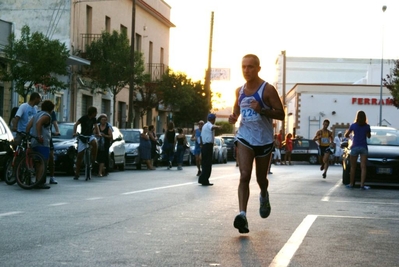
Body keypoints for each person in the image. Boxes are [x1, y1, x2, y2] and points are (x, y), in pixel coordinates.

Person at [228, 54, 285, 234]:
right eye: (244, 67)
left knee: (261, 179)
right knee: (244, 175)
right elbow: (236, 111)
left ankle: (264, 195)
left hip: (264, 140)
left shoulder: (267, 90)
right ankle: (242, 215)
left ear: (258, 68)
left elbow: (281, 114)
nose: (246, 70)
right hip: (245, 137)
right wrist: (233, 117)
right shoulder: (239, 91)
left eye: (251, 67)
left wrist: (262, 110)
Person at [25, 100, 55, 189]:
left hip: (34, 141)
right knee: (43, 162)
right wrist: (39, 135)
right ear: (51, 109)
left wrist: (27, 135)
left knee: (38, 162)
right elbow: (39, 124)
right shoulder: (47, 116)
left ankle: (37, 181)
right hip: (42, 142)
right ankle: (40, 182)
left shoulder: (37, 114)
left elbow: (28, 126)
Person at [344, 111, 371, 190]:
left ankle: (351, 184)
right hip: (363, 147)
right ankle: (362, 185)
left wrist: (351, 138)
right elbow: (369, 136)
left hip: (355, 146)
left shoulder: (353, 125)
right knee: (363, 167)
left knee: (353, 167)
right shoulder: (367, 126)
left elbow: (346, 135)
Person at [73, 106, 100, 180]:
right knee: (79, 156)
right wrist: (74, 132)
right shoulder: (84, 118)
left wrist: (98, 133)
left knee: (94, 143)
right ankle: (77, 173)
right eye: (96, 112)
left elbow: (96, 126)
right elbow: (76, 124)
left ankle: (93, 159)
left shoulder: (94, 119)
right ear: (93, 112)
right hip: (82, 136)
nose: (96, 114)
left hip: (90, 135)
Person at [198, 113, 220, 186]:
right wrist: (219, 127)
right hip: (208, 146)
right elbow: (212, 127)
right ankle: (204, 179)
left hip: (204, 146)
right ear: (213, 119)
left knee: (204, 163)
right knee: (207, 163)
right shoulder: (208, 125)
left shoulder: (204, 126)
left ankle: (204, 179)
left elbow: (201, 137)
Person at [48, 110, 60, 184]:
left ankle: (52, 177)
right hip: (41, 136)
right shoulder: (36, 110)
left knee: (51, 157)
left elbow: (54, 122)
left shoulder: (52, 113)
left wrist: (57, 131)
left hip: (48, 136)